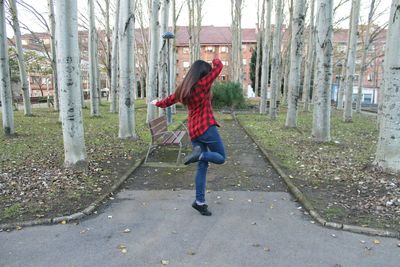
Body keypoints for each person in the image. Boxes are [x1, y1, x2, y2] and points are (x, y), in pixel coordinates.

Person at [151, 58, 225, 216]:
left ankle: (199, 202)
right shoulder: (203, 84)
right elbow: (219, 67)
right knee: (220, 157)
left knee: (202, 166)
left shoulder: (182, 90)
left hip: (194, 131)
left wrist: (157, 103)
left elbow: (167, 101)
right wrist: (214, 60)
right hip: (206, 128)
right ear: (204, 75)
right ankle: (201, 154)